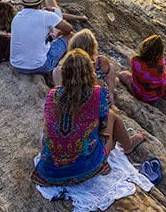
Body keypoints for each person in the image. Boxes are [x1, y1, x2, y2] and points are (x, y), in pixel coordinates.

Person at [32, 50, 147, 186]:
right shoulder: (96, 93)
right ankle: (127, 145)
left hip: (49, 173)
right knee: (112, 116)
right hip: (86, 168)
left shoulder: (53, 94)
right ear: (88, 71)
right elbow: (103, 122)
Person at [10, 0, 74, 87]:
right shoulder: (46, 16)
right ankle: (57, 70)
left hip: (16, 65)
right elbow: (68, 28)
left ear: (23, 4)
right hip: (39, 66)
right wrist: (60, 33)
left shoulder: (17, 17)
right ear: (39, 3)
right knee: (70, 36)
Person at [55, 29, 117, 105]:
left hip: (75, 102)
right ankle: (110, 95)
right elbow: (109, 69)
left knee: (57, 71)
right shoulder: (100, 61)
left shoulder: (67, 64)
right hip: (99, 101)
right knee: (111, 67)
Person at [119, 35, 166, 104]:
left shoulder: (135, 61)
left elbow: (135, 74)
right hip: (157, 93)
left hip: (142, 95)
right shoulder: (161, 62)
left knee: (123, 74)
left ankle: (138, 90)